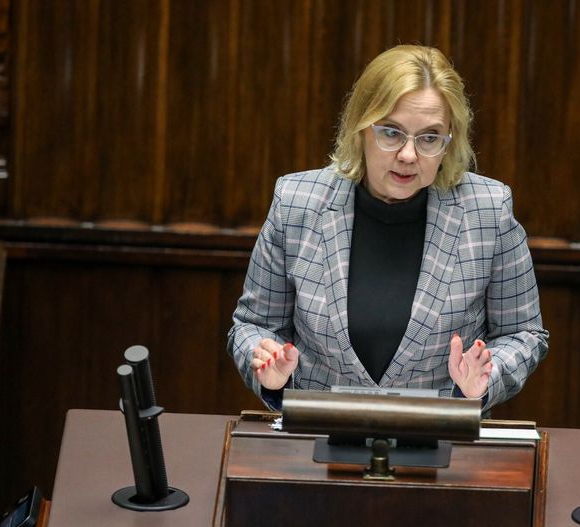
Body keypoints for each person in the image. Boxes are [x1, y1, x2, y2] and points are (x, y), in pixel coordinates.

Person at [226, 45, 548, 412]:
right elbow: (253, 325)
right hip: (318, 433)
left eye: (429, 138)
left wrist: (486, 377)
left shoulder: (489, 210)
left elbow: (523, 334)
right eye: (392, 133)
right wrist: (268, 368)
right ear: (360, 129)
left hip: (443, 436)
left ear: (450, 141)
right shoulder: (297, 202)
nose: (409, 155)